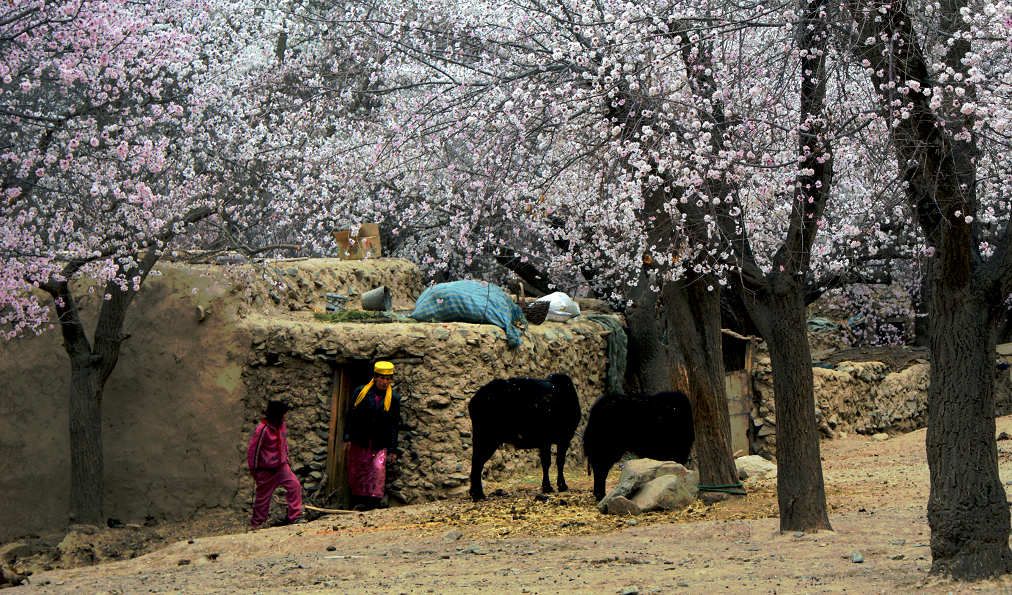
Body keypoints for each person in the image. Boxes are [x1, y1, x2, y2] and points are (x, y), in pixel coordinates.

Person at [344, 361, 402, 510]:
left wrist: (393, 449)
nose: (385, 382)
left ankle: (373, 503)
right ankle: (357, 501)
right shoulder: (361, 393)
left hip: (379, 441)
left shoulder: (393, 399)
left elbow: (394, 424)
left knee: (377, 470)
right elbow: (351, 415)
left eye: (388, 379)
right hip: (360, 439)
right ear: (375, 377)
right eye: (382, 378)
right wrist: (347, 437)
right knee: (358, 470)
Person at [246, 400, 304, 528]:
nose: (286, 416)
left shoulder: (282, 425)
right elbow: (253, 451)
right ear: (277, 415)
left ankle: (295, 516)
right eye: (284, 414)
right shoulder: (262, 429)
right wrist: (254, 469)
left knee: (295, 486)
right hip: (266, 470)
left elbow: (283, 442)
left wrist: (286, 457)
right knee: (262, 498)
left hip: (282, 467)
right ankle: (257, 523)